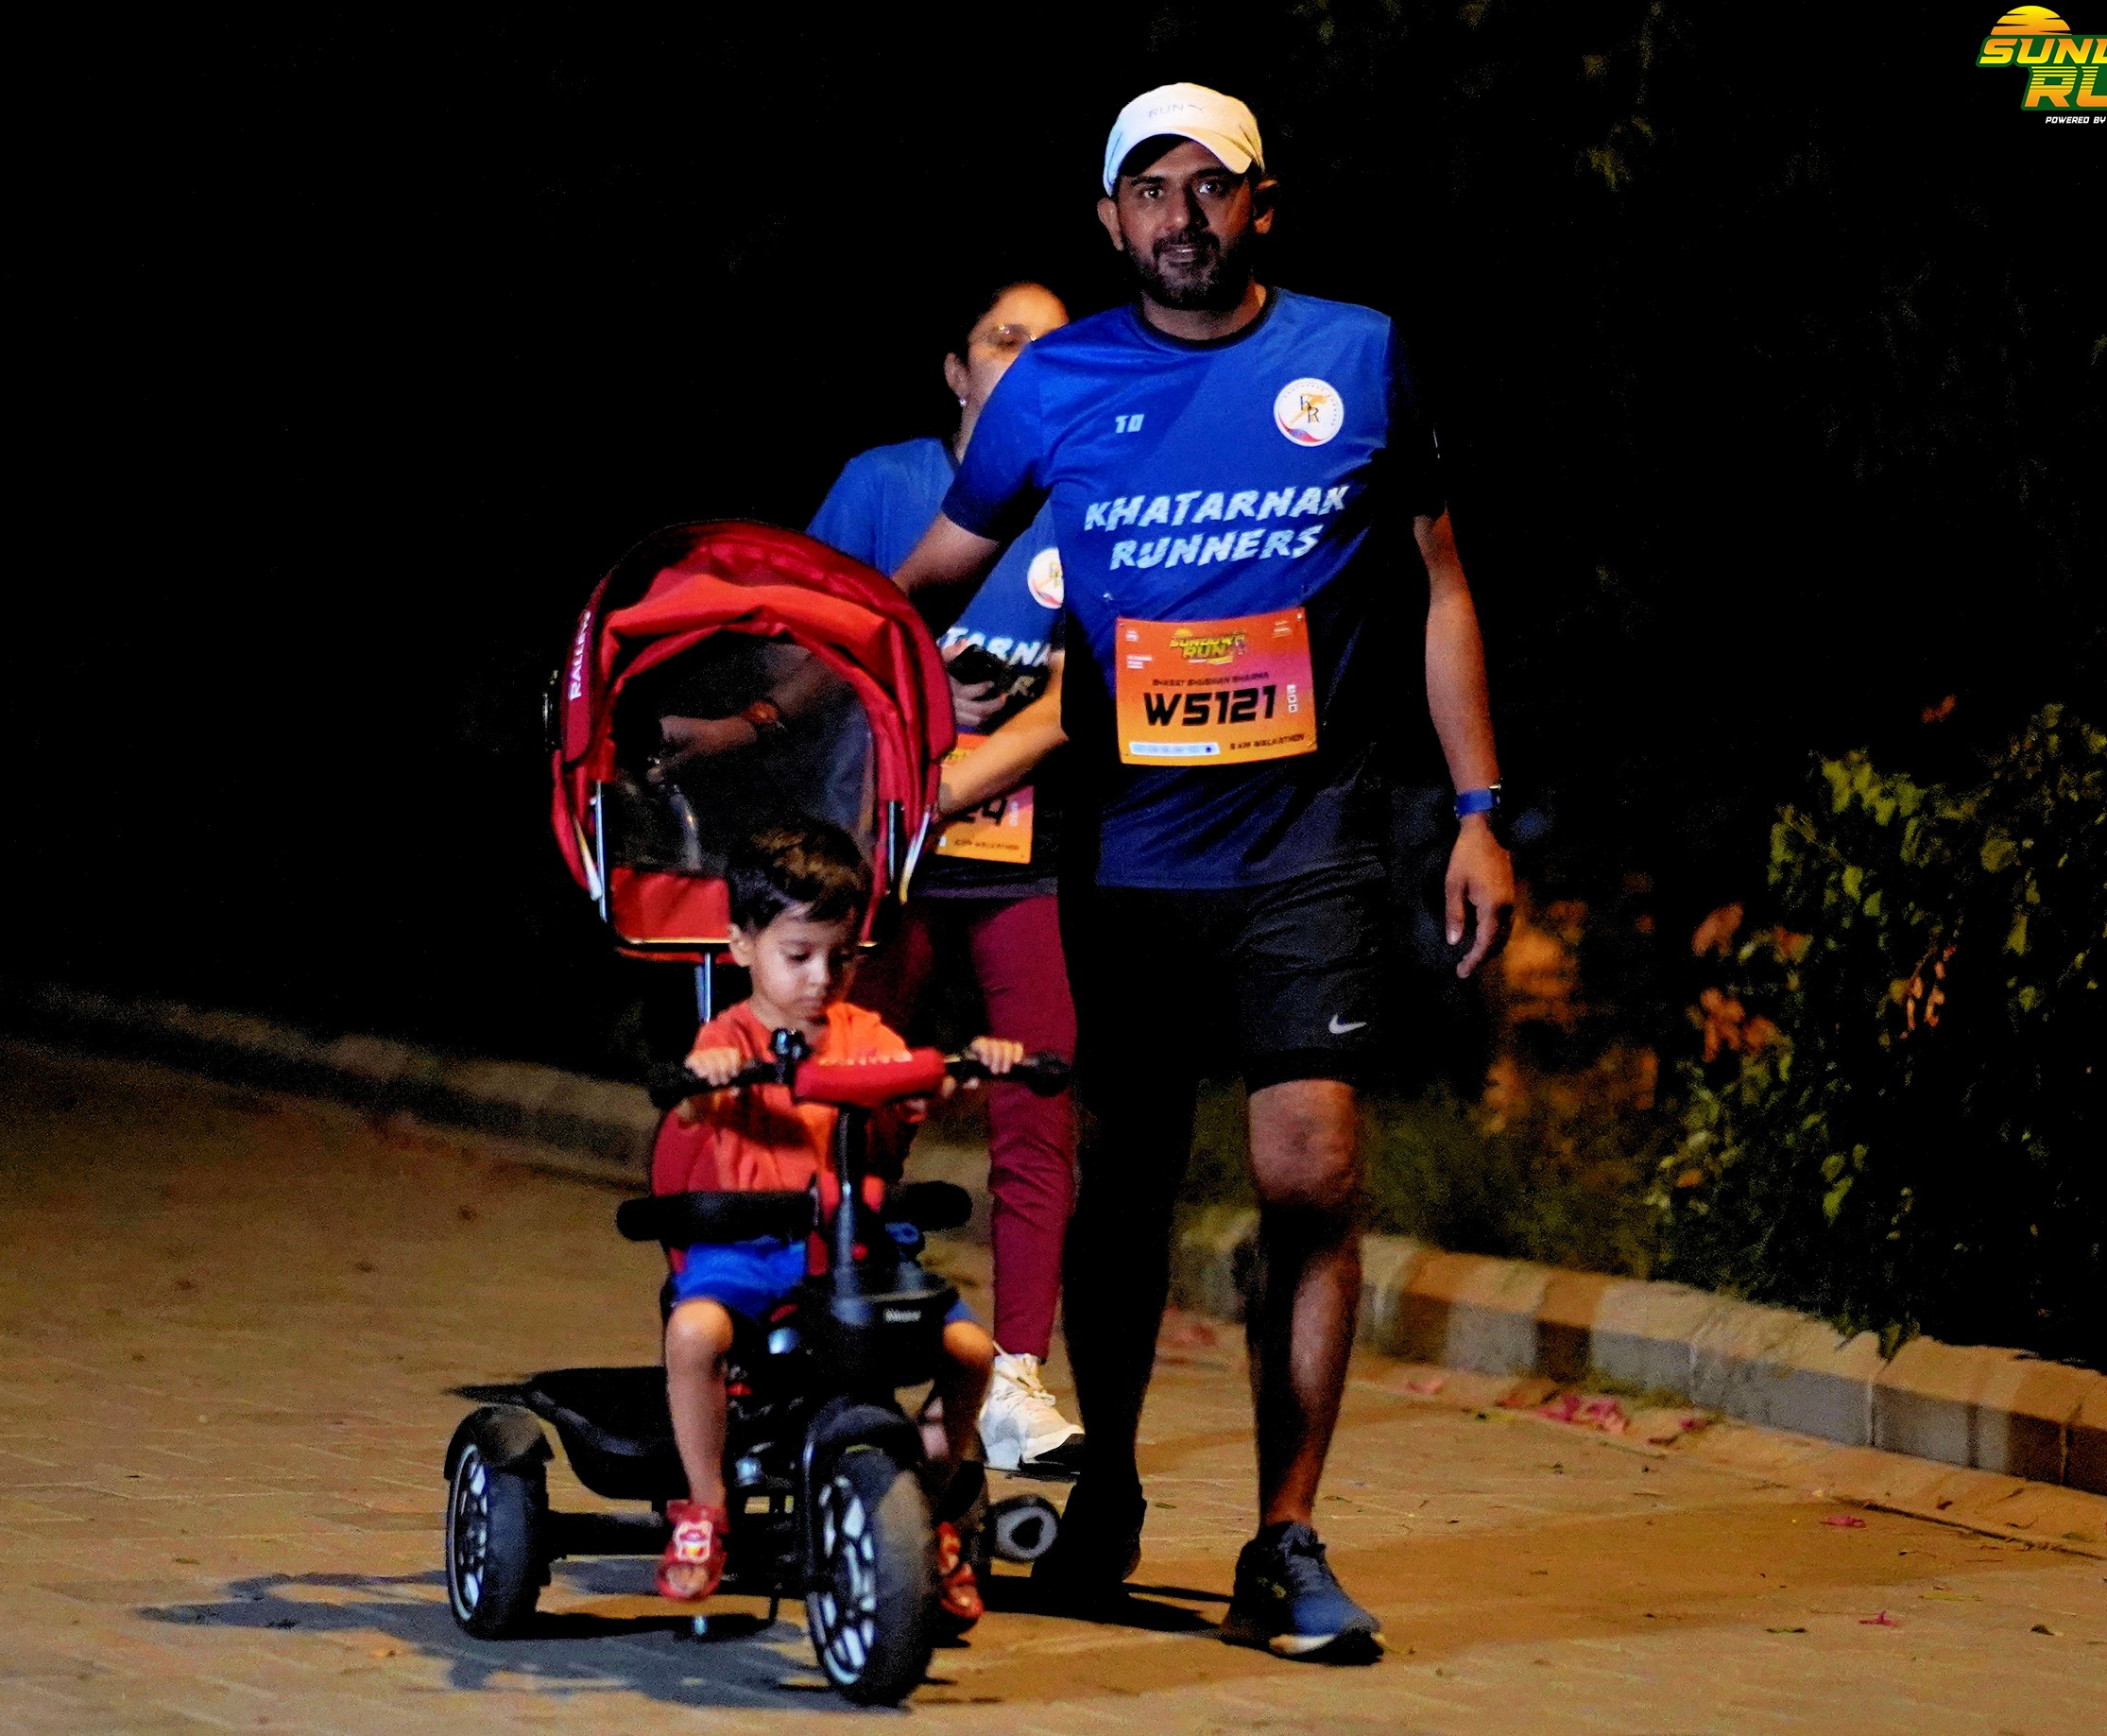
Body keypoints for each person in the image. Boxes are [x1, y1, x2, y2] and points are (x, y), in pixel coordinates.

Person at [890, 83, 1515, 1660]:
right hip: (1123, 859)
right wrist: (810, 690)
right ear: (1111, 220)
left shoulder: (1357, 355)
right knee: (1123, 1193)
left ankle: (1284, 1535)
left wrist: (1479, 808)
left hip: (1306, 843)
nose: (1183, 215)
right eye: (1151, 189)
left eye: (1210, 186)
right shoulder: (1055, 383)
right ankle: (1104, 1491)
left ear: (1261, 203)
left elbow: (1442, 584)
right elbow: (931, 577)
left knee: (1312, 1176)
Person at [805, 281, 1086, 1474]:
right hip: (886, 858)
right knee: (858, 1093)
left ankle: (1015, 1377)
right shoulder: (883, 485)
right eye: (1003, 339)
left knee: (1038, 1102)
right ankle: (839, 1335)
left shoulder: (1086, 501)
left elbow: (1077, 701)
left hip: (1020, 859)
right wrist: (916, 721)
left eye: (1053, 345)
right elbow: (809, 653)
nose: (1027, 360)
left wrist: (962, 772)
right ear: (957, 372)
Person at [649, 819, 1017, 1627]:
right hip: (752, 1247)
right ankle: (704, 1508)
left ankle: (928, 1505)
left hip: (857, 1247)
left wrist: (972, 1070)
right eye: (798, 955)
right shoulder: (732, 1036)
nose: (821, 978)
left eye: (840, 957)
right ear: (742, 945)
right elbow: (697, 1105)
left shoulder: (867, 1036)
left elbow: (921, 1086)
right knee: (695, 1332)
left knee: (968, 1349)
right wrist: (707, 1076)